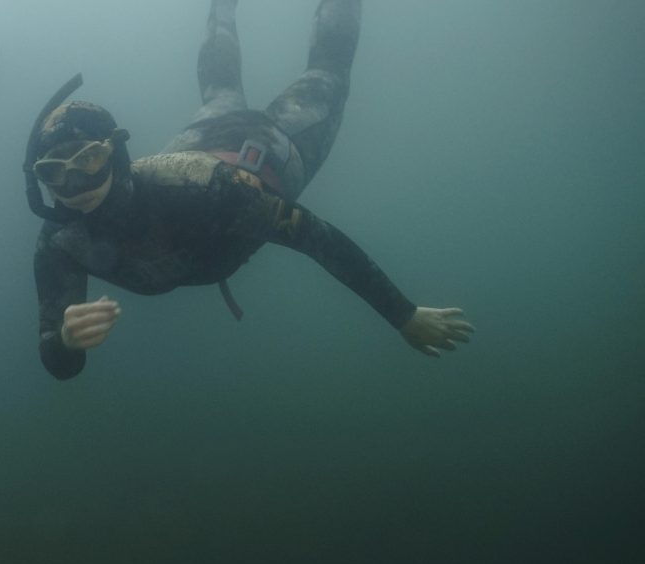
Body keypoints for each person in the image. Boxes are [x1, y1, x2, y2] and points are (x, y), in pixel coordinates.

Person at [25, 0, 473, 380]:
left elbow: (313, 236)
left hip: (268, 149)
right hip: (203, 134)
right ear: (37, 179)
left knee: (328, 73)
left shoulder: (207, 190)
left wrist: (403, 315)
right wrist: (66, 339)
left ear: (115, 154)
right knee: (220, 90)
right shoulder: (62, 241)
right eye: (53, 172)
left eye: (88, 159)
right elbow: (59, 361)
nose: (74, 186)